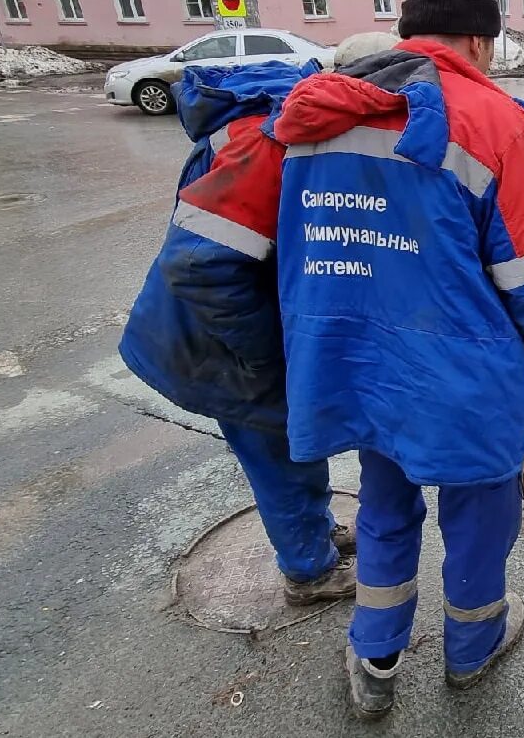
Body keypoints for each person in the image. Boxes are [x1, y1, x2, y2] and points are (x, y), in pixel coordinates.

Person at [169, 0, 524, 719]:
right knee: (478, 520)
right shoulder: (498, 124)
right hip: (467, 380)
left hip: (359, 371)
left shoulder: (314, 119)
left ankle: (375, 659)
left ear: (409, 34)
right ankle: (472, 647)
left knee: (385, 514)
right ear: (480, 42)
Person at [117, 58, 357, 606]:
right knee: (276, 449)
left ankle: (314, 535)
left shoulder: (265, 127)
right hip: (218, 342)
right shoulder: (271, 146)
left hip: (216, 328)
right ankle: (309, 571)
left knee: (291, 442)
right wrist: (267, 353)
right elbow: (198, 264)